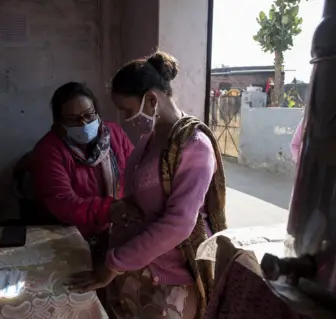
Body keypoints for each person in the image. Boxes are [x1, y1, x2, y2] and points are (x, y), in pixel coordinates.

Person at [71, 52, 227, 319]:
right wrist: (120, 216)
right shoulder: (148, 142)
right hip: (138, 269)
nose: (125, 119)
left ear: (152, 100)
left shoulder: (194, 147)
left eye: (128, 111)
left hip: (172, 281)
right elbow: (135, 200)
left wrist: (114, 263)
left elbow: (178, 223)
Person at [31, 82, 135, 262]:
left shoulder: (115, 134)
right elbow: (63, 203)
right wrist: (109, 210)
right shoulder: (48, 150)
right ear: (59, 121)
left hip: (119, 228)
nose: (84, 123)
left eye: (89, 115)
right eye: (73, 119)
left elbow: (137, 172)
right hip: (75, 236)